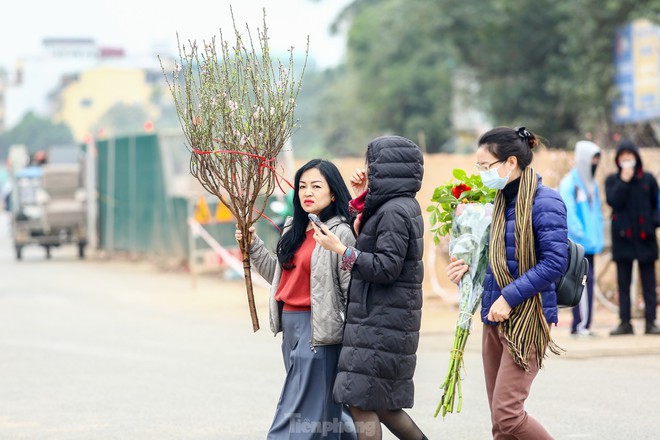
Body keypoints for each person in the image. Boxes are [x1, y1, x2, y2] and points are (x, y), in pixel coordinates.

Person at [446, 126, 568, 439]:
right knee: (500, 425)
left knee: (508, 415)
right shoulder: (497, 204)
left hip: (526, 318)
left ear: (510, 163)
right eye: (479, 167)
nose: (482, 173)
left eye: (486, 166)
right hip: (493, 316)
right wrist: (466, 268)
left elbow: (555, 262)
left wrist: (509, 297)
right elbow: (496, 259)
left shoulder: (546, 202)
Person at [311, 135, 428, 440]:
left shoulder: (394, 211)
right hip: (382, 321)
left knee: (360, 400)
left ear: (387, 169)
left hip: (380, 323)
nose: (367, 170)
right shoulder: (397, 206)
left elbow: (385, 267)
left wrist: (341, 250)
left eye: (372, 165)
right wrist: (361, 196)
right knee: (383, 405)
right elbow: (371, 238)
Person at [235, 159, 357, 439]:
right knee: (323, 411)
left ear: (333, 193)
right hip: (290, 328)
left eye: (316, 186)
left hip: (320, 331)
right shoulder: (294, 228)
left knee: (295, 413)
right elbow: (280, 277)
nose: (307, 192)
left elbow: (352, 290)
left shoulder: (339, 233)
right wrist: (252, 246)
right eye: (302, 186)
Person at [605, 139, 660, 336]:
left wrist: (653, 222)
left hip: (646, 238)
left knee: (649, 284)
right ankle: (625, 322)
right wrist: (623, 181)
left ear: (636, 158)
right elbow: (613, 201)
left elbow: (657, 204)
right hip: (623, 240)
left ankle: (650, 322)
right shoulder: (612, 180)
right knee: (623, 283)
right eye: (623, 157)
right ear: (618, 160)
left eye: (630, 157)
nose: (627, 160)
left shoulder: (648, 179)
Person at [558, 140, 604, 337]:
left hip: (591, 245)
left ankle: (583, 324)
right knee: (581, 282)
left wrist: (597, 240)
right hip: (579, 246)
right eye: (593, 158)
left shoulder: (592, 185)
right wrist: (583, 237)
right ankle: (580, 325)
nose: (595, 162)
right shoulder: (570, 184)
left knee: (588, 283)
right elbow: (570, 216)